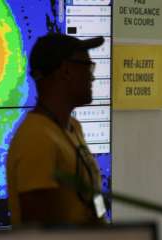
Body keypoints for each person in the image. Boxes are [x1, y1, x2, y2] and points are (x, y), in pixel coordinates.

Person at [6, 33, 106, 226]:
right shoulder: (36, 138)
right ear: (66, 71)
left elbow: (91, 200)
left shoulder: (73, 128)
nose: (93, 76)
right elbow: (39, 231)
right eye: (88, 66)